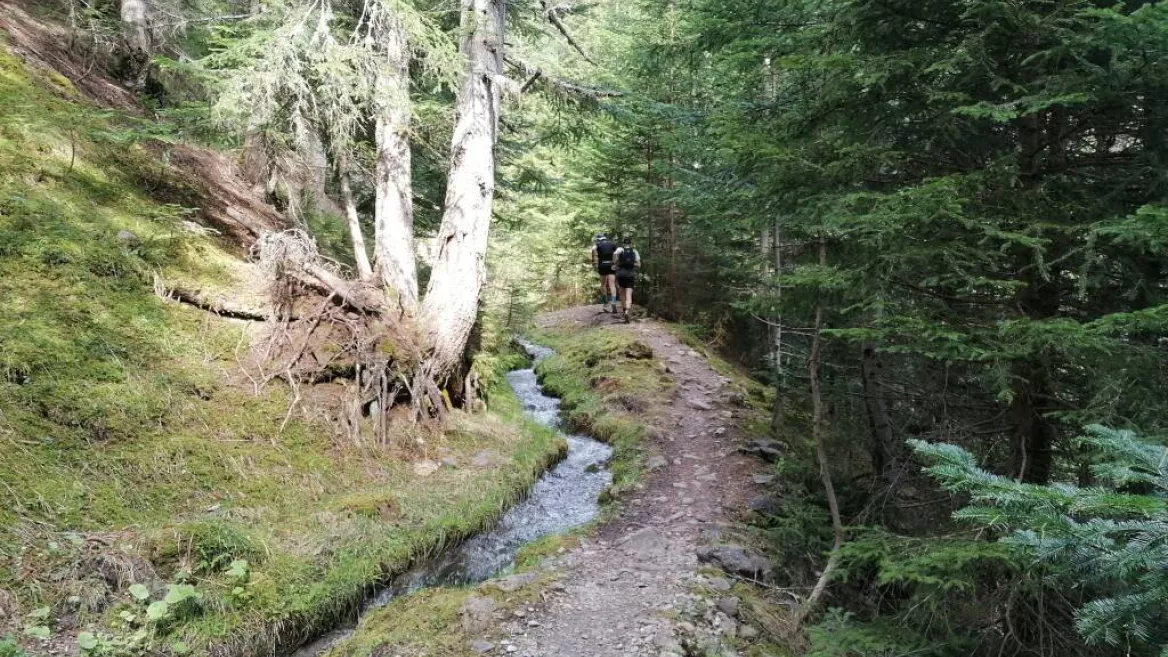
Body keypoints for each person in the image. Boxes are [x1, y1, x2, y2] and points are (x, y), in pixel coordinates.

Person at [612, 236, 640, 323]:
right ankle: (627, 311)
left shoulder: (620, 250)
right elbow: (639, 265)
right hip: (630, 275)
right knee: (629, 295)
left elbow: (615, 262)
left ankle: (624, 311)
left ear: (624, 243)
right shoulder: (634, 251)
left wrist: (618, 263)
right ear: (631, 243)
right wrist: (632, 264)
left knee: (622, 294)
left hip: (621, 275)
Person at [590, 233, 619, 312]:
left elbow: (593, 250)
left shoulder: (597, 245)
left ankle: (605, 304)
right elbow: (616, 253)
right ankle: (613, 302)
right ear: (605, 238)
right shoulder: (612, 244)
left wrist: (595, 264)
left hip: (602, 265)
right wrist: (615, 263)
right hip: (611, 265)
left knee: (603, 285)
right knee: (612, 285)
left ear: (598, 239)